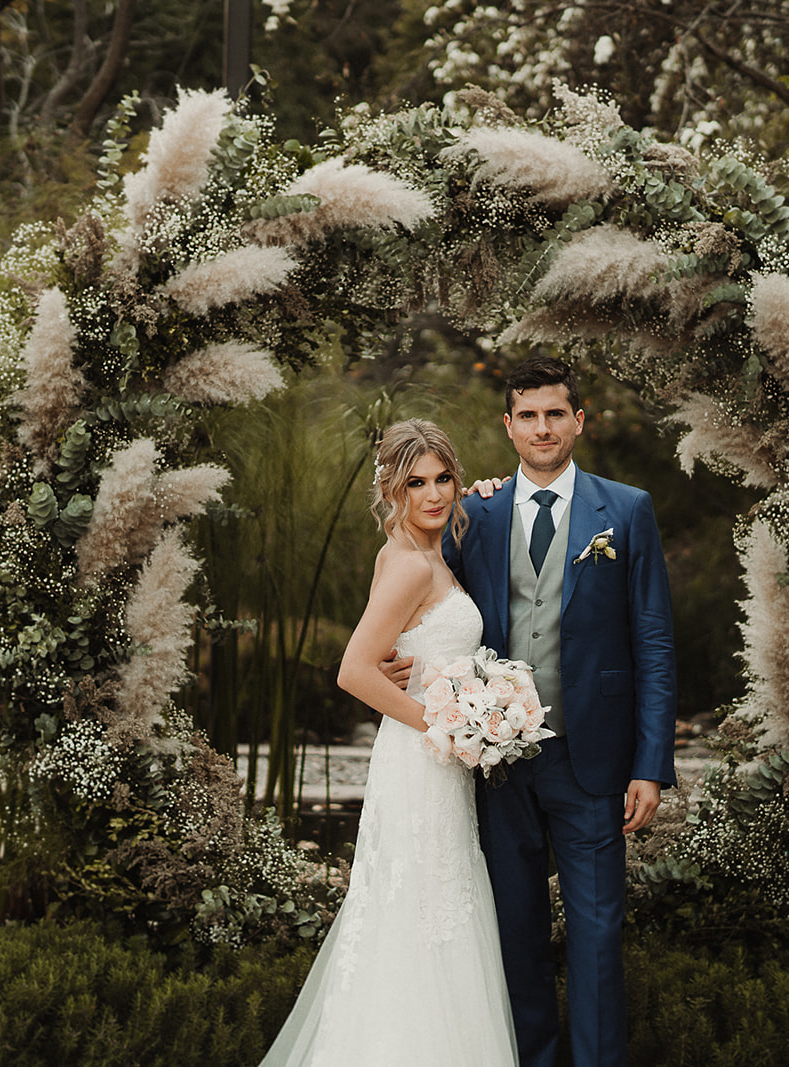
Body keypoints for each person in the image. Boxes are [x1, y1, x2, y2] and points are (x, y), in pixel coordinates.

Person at [259, 419, 517, 1067]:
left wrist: (466, 703)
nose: (433, 494)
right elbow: (353, 669)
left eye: (442, 478)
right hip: (423, 757)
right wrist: (448, 727)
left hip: (425, 758)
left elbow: (398, 652)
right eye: (415, 482)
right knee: (420, 911)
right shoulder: (407, 564)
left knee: (426, 912)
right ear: (392, 489)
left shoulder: (419, 553)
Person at [445, 356, 677, 1067]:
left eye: (556, 414)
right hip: (497, 763)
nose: (542, 427)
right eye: (528, 415)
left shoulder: (626, 509)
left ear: (579, 421)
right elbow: (430, 607)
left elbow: (654, 641)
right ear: (507, 425)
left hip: (593, 758)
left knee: (599, 931)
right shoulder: (473, 512)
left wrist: (651, 764)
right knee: (515, 931)